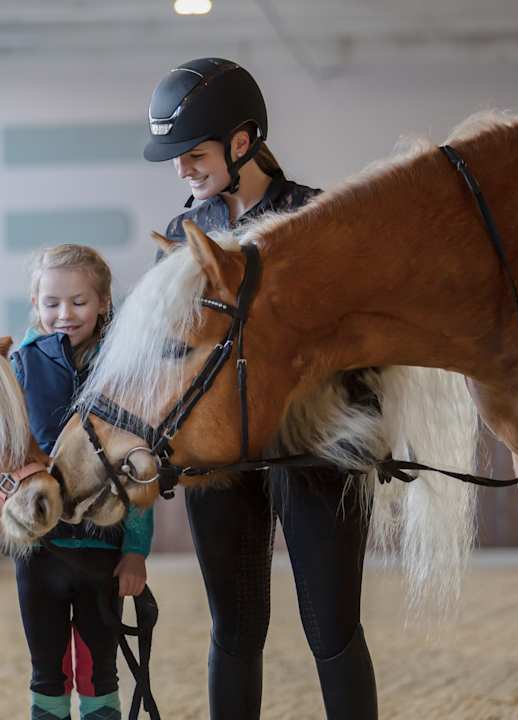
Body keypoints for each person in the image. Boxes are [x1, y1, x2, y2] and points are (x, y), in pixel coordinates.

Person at [143, 57, 379, 719]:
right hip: (222, 454)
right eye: (177, 159)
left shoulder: (317, 217)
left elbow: (360, 337)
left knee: (333, 631)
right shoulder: (186, 232)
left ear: (242, 143)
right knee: (235, 630)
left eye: (192, 154)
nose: (181, 170)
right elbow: (169, 351)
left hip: (313, 448)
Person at [10, 244, 155, 720]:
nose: (64, 314)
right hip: (38, 552)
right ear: (36, 305)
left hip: (102, 553)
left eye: (79, 302)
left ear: (103, 304)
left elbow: (136, 468)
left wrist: (135, 549)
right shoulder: (19, 366)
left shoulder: (123, 368)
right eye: (51, 303)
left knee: (99, 671)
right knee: (46, 671)